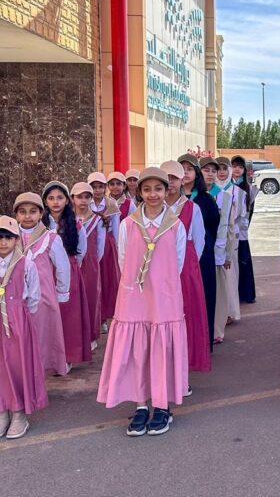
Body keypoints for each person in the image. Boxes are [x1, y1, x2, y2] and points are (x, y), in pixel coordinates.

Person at [97, 167, 189, 437]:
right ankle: (140, 404)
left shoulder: (176, 226)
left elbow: (178, 263)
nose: (153, 194)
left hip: (164, 297)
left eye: (158, 189)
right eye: (147, 189)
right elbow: (123, 260)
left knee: (161, 349)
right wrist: (137, 287)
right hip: (135, 296)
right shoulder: (128, 224)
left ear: (166, 191)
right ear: (139, 192)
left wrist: (161, 285)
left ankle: (162, 405)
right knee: (138, 351)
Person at [0, 216, 46, 440]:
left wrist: (19, 316)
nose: (3, 242)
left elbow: (34, 296)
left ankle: (18, 413)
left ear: (17, 240)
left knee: (18, 365)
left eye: (8, 237)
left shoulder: (26, 264)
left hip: (19, 320)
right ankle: (0, 413)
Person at [162, 160, 211, 375]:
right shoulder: (152, 209)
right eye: (166, 179)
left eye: (174, 178)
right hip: (158, 268)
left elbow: (199, 241)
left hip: (185, 269)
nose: (170, 183)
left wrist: (188, 266)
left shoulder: (192, 208)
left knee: (186, 314)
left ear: (182, 180)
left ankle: (183, 365)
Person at [14, 192, 70, 377]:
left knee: (43, 332)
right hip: (16, 297)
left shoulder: (50, 238)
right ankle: (22, 371)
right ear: (16, 215)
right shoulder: (9, 238)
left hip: (43, 296)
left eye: (32, 211)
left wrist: (62, 292)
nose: (27, 216)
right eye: (22, 212)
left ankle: (42, 368)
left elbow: (62, 267)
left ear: (40, 213)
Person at [42, 181, 92, 365]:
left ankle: (68, 356)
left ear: (67, 200)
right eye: (51, 198)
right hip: (45, 273)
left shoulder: (75, 225)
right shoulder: (40, 225)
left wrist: (69, 268)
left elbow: (81, 252)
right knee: (48, 315)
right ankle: (48, 355)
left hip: (70, 274)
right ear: (45, 201)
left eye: (60, 198)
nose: (55, 202)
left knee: (68, 316)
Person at [180, 154, 221, 348]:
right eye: (182, 169)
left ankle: (203, 342)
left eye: (189, 169)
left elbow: (213, 226)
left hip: (203, 254)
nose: (185, 173)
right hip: (176, 256)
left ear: (196, 173)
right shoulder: (169, 200)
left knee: (203, 296)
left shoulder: (206, 200)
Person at [201, 157, 236, 344]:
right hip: (198, 251)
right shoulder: (191, 196)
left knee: (218, 292)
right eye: (206, 170)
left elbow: (229, 226)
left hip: (217, 250)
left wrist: (228, 253)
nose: (210, 174)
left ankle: (216, 331)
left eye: (213, 171)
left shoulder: (224, 196)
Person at [72, 182, 104, 347]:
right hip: (71, 264)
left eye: (87, 197)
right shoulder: (67, 219)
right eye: (79, 197)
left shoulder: (98, 220)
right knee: (73, 299)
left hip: (91, 265)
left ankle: (90, 336)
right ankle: (75, 335)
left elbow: (100, 247)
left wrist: (92, 263)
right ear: (73, 198)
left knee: (91, 297)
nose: (83, 200)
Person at [89, 172, 121, 333]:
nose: (97, 190)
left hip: (107, 247)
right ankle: (91, 317)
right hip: (89, 245)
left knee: (106, 282)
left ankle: (103, 318)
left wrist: (117, 249)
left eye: (100, 187)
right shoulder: (84, 203)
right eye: (94, 187)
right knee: (91, 282)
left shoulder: (111, 204)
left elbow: (116, 229)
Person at [216, 157, 244, 327]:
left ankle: (229, 312)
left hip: (230, 239)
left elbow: (241, 216)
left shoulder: (237, 192)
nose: (221, 172)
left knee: (229, 277)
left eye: (224, 168)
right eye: (218, 169)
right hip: (213, 240)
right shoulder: (208, 190)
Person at [231, 156, 258, 304]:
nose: (237, 169)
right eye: (234, 166)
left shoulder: (247, 187)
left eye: (240, 167)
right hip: (229, 231)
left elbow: (250, 210)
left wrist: (244, 227)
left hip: (241, 230)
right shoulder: (225, 185)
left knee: (243, 261)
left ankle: (247, 294)